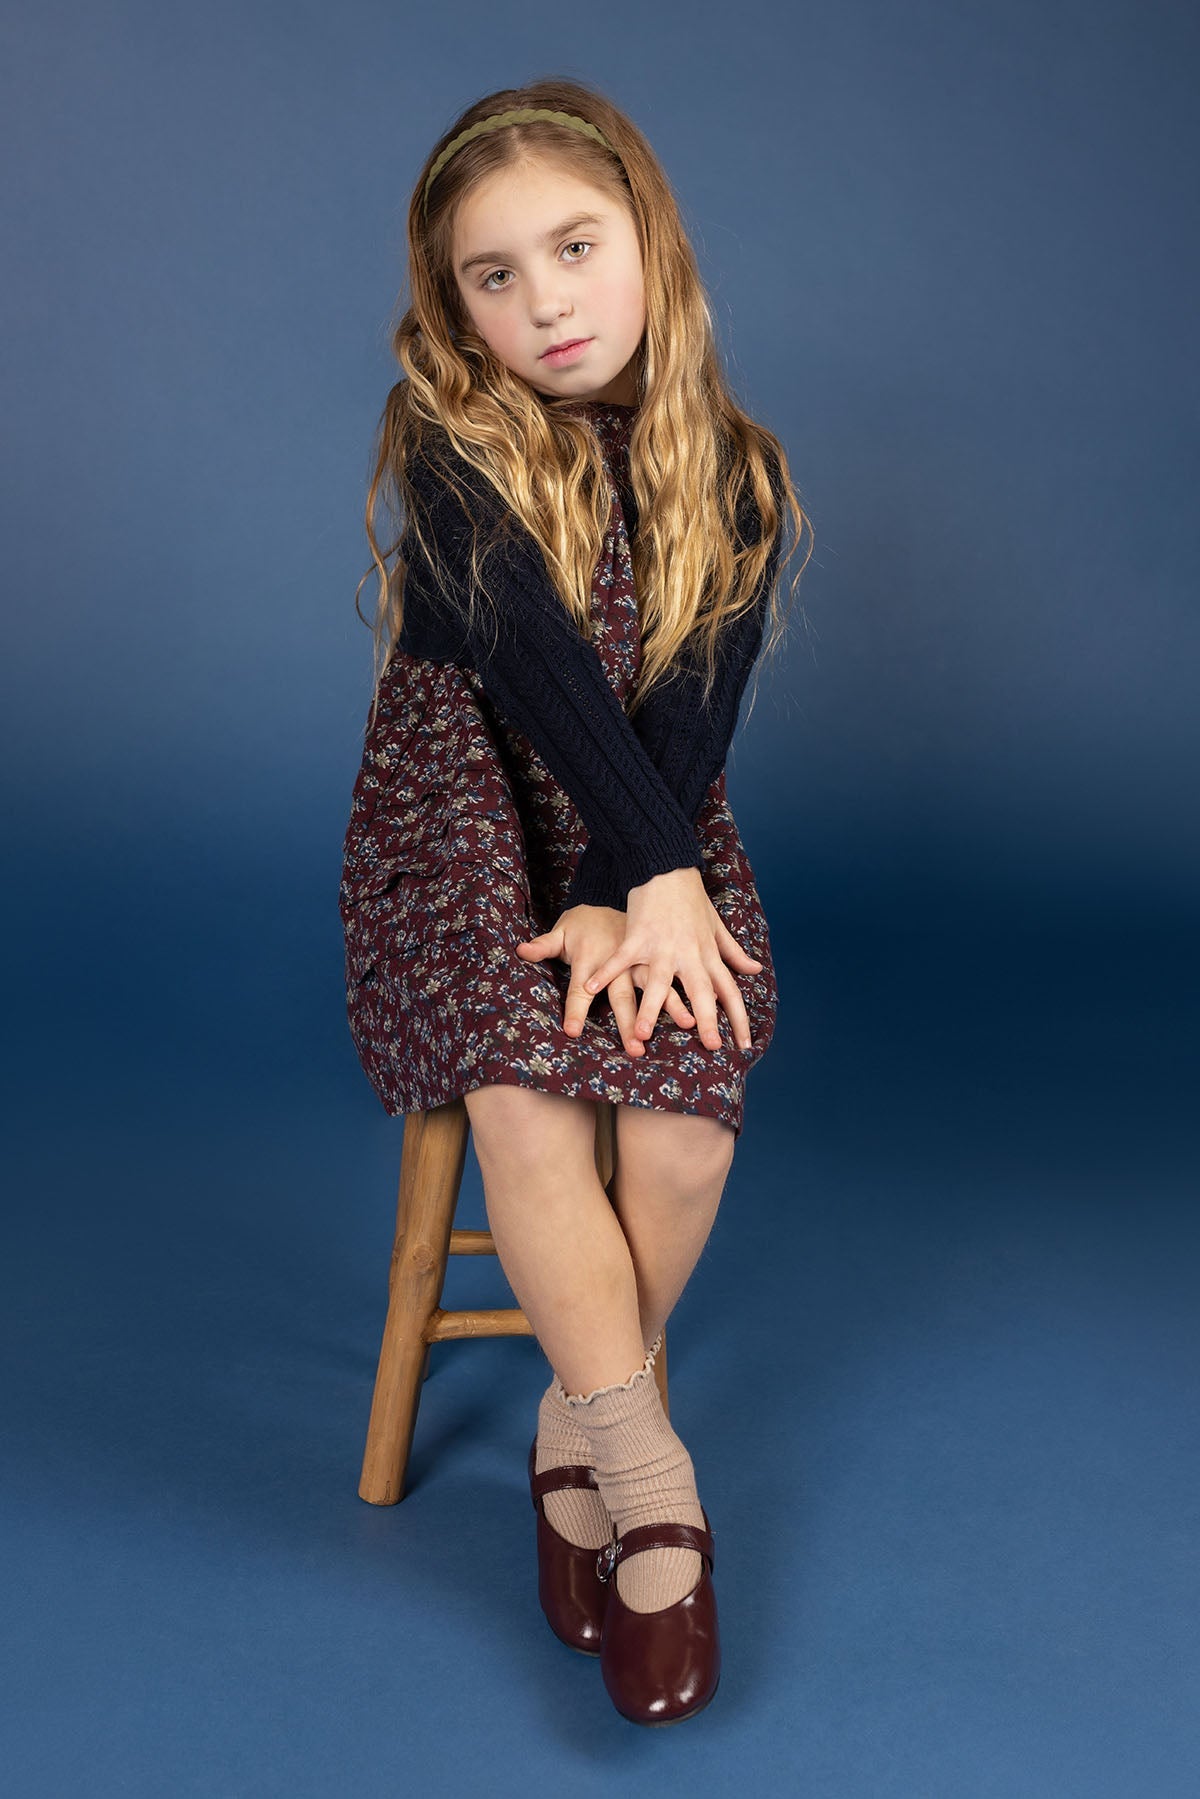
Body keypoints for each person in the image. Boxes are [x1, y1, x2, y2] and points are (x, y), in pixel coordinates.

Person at [340, 77, 810, 1726]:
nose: (544, 301)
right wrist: (627, 875)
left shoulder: (737, 480)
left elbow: (684, 726)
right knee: (529, 1105)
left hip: (645, 824)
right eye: (495, 274)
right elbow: (534, 668)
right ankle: (653, 1485)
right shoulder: (451, 445)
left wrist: (639, 883)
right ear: (452, 306)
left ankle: (574, 1419)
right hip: (464, 821)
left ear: (649, 242)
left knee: (684, 1130)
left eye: (574, 247)